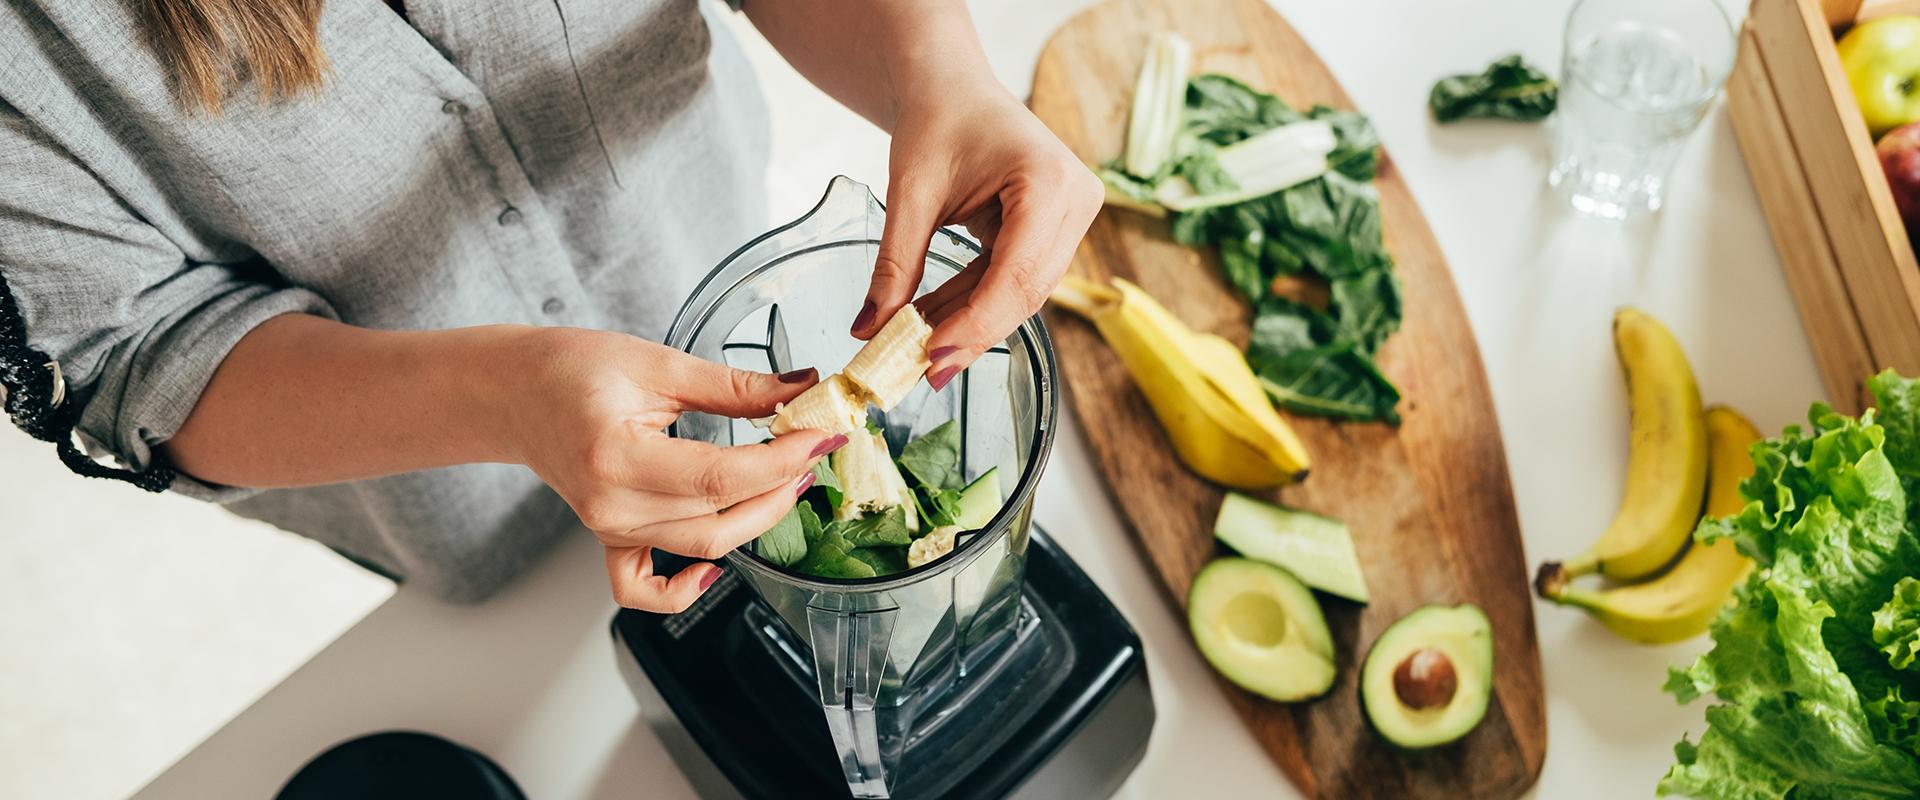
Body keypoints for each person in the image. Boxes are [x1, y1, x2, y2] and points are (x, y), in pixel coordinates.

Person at [0, 0, 1100, 611]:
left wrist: (937, 68)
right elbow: (130, 351)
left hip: (697, 237)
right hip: (441, 480)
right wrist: (508, 398)